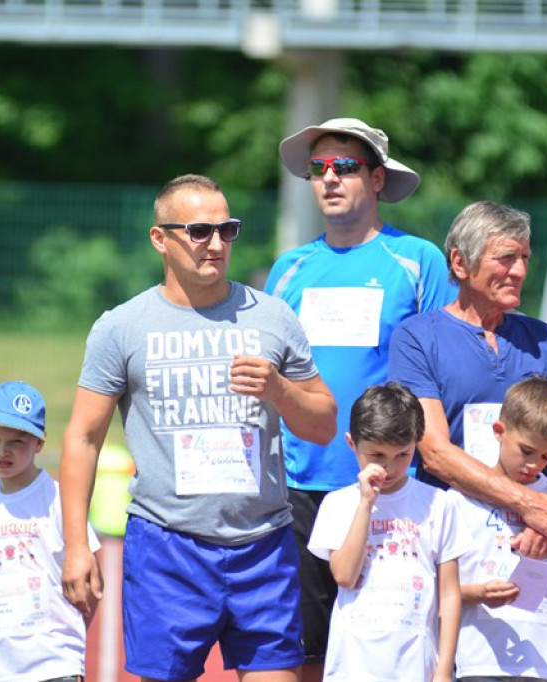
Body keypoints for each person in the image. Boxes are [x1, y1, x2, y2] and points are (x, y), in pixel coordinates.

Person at [59, 174, 337, 682]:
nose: (216, 244)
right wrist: (76, 543)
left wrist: (280, 390)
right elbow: (82, 438)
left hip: (264, 546)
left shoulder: (273, 317)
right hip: (168, 550)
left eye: (226, 230)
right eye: (199, 231)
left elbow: (323, 424)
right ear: (160, 239)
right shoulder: (122, 327)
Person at [266, 117, 457, 678]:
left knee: (394, 640)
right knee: (306, 651)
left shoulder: (418, 261)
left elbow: (441, 365)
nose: (329, 178)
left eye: (344, 167)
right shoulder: (290, 268)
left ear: (377, 179)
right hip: (302, 483)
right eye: (318, 168)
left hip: (393, 484)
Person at [387, 201, 547, 559]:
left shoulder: (544, 339)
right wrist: (530, 504)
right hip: (450, 542)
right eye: (506, 258)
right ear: (459, 263)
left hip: (535, 544)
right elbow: (434, 452)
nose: (520, 271)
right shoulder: (417, 337)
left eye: (525, 258)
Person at [307, 381, 467, 682]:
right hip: (353, 666)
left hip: (415, 664)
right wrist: (366, 504)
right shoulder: (338, 504)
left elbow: (449, 594)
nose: (389, 467)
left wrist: (444, 669)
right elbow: (344, 575)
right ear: (352, 443)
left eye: (402, 455)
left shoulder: (439, 503)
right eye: (377, 455)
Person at [0, 381, 100, 682]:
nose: (2, 451)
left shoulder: (60, 500)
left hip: (55, 664)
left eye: (17, 442)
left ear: (39, 443)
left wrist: (66, 637)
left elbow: (92, 585)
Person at [451, 377, 547, 682]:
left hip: (539, 664)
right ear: (498, 431)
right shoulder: (458, 500)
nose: (534, 465)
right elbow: (441, 590)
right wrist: (478, 593)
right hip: (476, 661)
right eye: (526, 451)